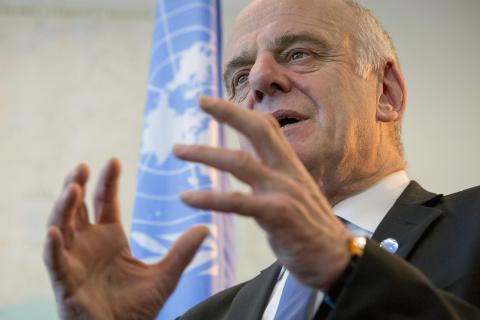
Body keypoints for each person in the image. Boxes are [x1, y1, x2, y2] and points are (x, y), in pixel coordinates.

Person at [43, 0, 480, 319]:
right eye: (238, 75)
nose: (258, 79)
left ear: (386, 93)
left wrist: (344, 265)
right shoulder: (212, 315)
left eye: (298, 53)